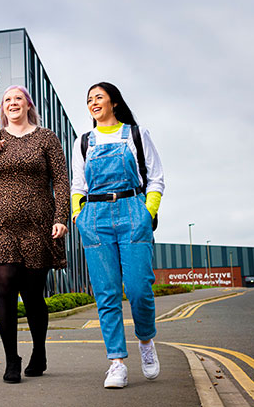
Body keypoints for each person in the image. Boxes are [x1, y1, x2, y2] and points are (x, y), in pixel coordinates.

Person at [0, 85, 69, 383]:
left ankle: (39, 351)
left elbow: (61, 181)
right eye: (7, 100)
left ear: (28, 104)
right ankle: (11, 359)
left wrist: (61, 217)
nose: (12, 103)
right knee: (5, 286)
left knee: (33, 294)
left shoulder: (46, 138)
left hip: (38, 223)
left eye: (17, 98)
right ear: (3, 107)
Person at [71, 82, 165, 388]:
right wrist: (78, 216)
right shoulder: (83, 141)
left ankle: (146, 342)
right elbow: (78, 184)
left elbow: (156, 177)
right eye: (89, 100)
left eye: (99, 97)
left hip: (132, 212)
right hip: (95, 218)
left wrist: (147, 212)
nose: (93, 102)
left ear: (114, 102)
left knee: (139, 289)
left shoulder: (136, 134)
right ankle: (117, 363)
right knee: (106, 293)